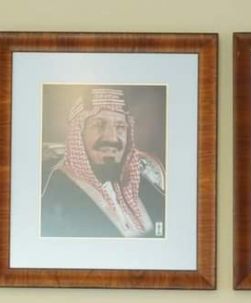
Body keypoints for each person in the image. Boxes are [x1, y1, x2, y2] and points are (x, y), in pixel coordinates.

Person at [41, 87, 165, 238]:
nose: (112, 138)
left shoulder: (142, 185)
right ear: (78, 135)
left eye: (120, 127)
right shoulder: (55, 192)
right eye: (98, 125)